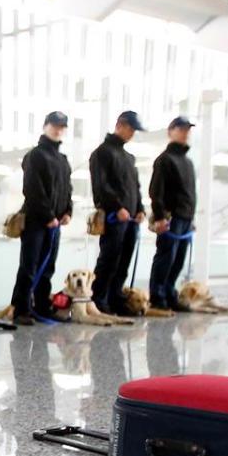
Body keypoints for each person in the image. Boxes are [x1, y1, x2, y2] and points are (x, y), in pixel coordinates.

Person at [9, 111, 73, 326]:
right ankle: (21, 309)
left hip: (55, 223)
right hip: (37, 221)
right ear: (45, 126)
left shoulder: (63, 160)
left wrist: (67, 212)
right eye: (54, 125)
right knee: (30, 266)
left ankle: (42, 306)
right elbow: (32, 189)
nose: (58, 129)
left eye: (62, 126)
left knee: (48, 267)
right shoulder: (35, 155)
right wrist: (47, 216)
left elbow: (67, 190)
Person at [89, 111, 146, 315]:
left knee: (124, 261)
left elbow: (135, 187)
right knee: (109, 259)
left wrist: (139, 209)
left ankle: (115, 298)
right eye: (130, 128)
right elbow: (101, 187)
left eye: (134, 131)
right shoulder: (102, 153)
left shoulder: (128, 157)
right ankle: (98, 299)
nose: (132, 134)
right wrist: (116, 207)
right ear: (119, 125)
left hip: (130, 219)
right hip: (115, 218)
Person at [148, 116, 197, 311]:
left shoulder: (188, 162)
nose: (185, 133)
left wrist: (191, 218)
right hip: (171, 218)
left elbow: (190, 192)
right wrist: (159, 217)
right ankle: (157, 296)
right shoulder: (164, 160)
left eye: (187, 130)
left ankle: (169, 293)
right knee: (166, 257)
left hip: (185, 218)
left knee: (178, 260)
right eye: (181, 129)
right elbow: (156, 192)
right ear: (171, 132)